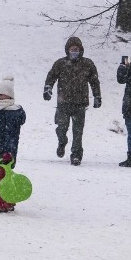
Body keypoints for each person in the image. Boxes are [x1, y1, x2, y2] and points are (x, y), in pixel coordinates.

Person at [43, 37, 102, 166]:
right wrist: (47, 89)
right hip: (63, 103)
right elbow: (51, 76)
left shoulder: (88, 64)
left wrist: (97, 96)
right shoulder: (60, 63)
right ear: (67, 50)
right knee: (61, 128)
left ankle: (76, 155)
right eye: (72, 49)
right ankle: (62, 142)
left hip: (80, 104)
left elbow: (94, 81)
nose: (74, 51)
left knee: (78, 132)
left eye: (76, 49)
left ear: (80, 50)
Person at [0, 76, 26, 213]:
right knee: (5, 178)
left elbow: (10, 136)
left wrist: (7, 152)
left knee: (0, 179)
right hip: (0, 151)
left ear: (10, 96)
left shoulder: (9, 113)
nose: (1, 97)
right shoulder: (3, 111)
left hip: (3, 153)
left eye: (4, 94)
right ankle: (8, 201)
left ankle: (0, 204)